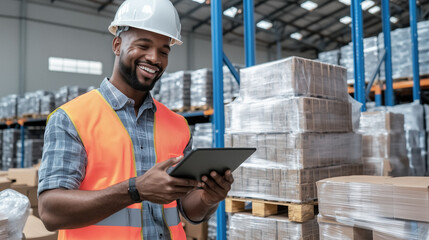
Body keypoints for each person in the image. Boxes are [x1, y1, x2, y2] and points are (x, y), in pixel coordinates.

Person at [37, 0, 234, 239]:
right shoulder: (71, 118)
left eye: (164, 51)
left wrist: (208, 199)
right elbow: (50, 212)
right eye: (143, 45)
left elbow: (186, 210)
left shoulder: (178, 126)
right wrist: (135, 190)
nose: (154, 58)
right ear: (117, 45)